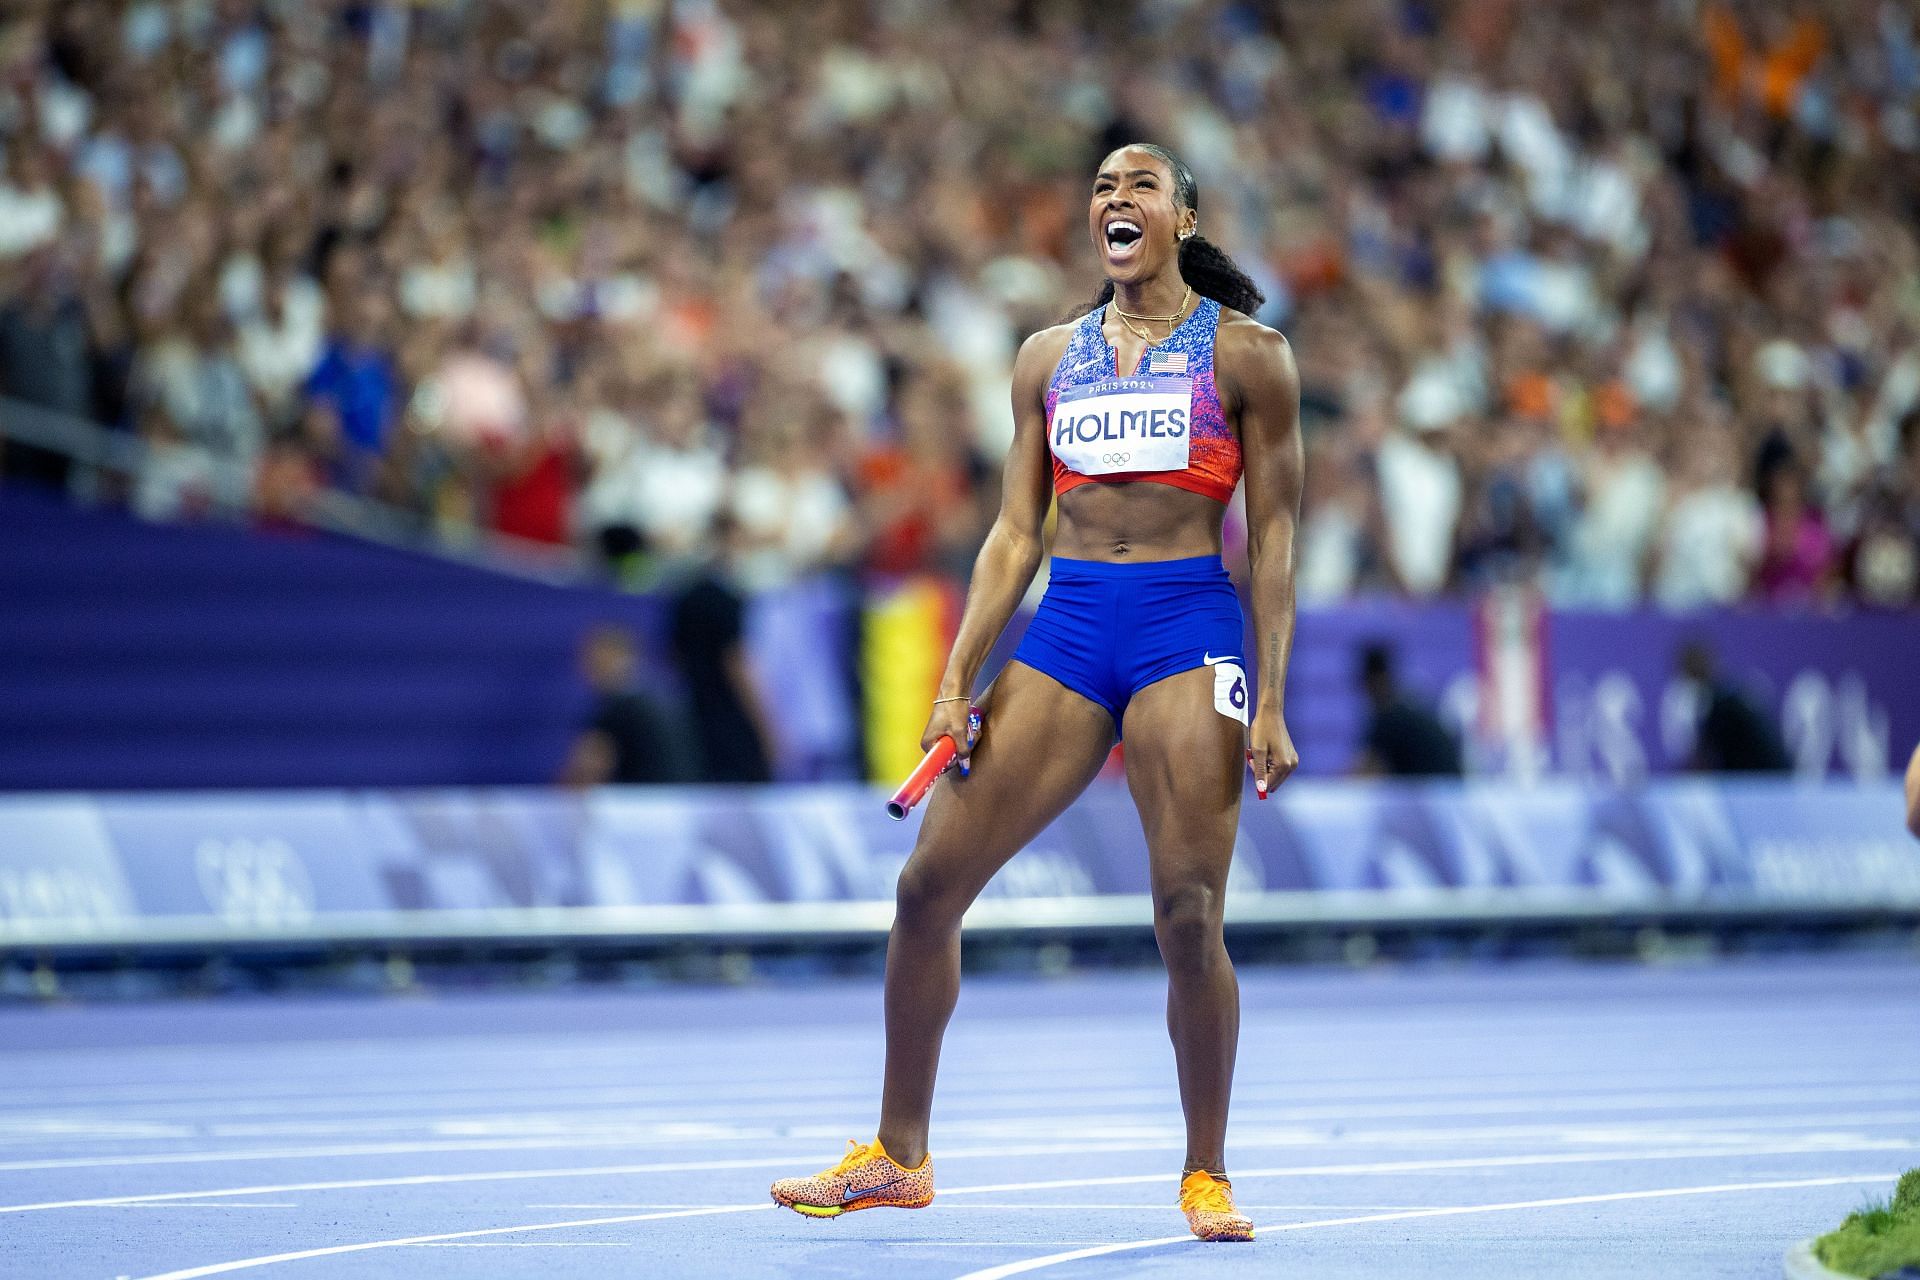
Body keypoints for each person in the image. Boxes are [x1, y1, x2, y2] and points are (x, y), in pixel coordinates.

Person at [770, 144, 1302, 1243]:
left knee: (1188, 913)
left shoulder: (1251, 357)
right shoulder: (1046, 359)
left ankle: (1206, 1169)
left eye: (1141, 186)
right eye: (1103, 187)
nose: (1117, 199)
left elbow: (1280, 537)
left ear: (1184, 218)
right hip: (1067, 630)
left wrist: (1278, 698)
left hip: (1185, 627)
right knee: (925, 889)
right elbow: (1017, 530)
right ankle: (898, 1152)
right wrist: (956, 676)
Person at [559, 625, 692, 787]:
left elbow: (587, 770)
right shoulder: (664, 696)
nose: (586, 669)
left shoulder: (618, 707)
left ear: (617, 655)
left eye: (594, 660)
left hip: (644, 805)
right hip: (683, 798)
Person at [1676, 641, 1789, 772]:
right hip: (1765, 774)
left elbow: (1703, 756)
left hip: (1763, 777)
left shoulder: (1722, 702)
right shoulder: (1725, 693)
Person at [1353, 643, 1463, 777]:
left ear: (1371, 681)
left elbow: (1366, 771)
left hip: (1439, 790)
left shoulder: (1390, 717)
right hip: (1447, 786)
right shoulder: (1405, 706)